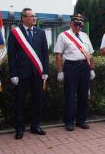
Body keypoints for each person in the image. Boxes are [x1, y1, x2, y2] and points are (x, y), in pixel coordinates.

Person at [8, 8, 49, 139]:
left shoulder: (41, 33)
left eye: (35, 16)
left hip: (38, 73)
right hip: (21, 74)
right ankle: (19, 128)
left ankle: (35, 126)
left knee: (37, 100)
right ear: (24, 18)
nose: (34, 18)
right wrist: (13, 73)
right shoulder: (15, 33)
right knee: (20, 102)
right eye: (32, 16)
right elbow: (11, 55)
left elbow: (45, 54)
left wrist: (46, 71)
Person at [55, 14, 95, 131]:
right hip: (71, 67)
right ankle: (69, 121)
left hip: (84, 67)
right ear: (70, 23)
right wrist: (60, 71)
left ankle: (81, 120)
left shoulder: (85, 36)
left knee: (83, 95)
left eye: (80, 25)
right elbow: (58, 55)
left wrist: (92, 69)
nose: (78, 27)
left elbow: (90, 54)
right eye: (76, 24)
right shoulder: (63, 36)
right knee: (70, 95)